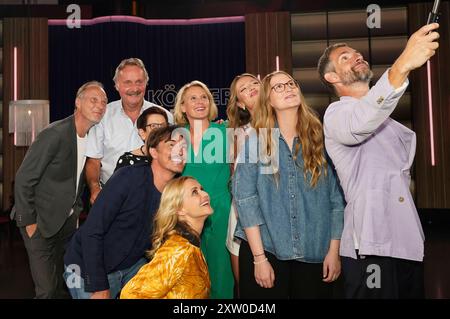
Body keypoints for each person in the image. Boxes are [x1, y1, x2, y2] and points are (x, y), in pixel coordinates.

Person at [317, 23, 440, 298]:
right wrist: (402, 65)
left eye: (357, 52)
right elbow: (362, 120)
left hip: (407, 240)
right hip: (370, 245)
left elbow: (375, 111)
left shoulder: (386, 119)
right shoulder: (336, 115)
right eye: (345, 57)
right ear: (331, 77)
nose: (357, 55)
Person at [232, 71, 345, 299]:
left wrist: (334, 251)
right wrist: (259, 258)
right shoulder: (257, 140)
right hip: (266, 250)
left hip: (315, 250)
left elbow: (336, 200)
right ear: (268, 100)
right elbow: (245, 201)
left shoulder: (320, 140)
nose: (289, 89)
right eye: (279, 87)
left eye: (291, 84)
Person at [63, 125, 186, 299]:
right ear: (154, 152)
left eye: (183, 147)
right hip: (87, 268)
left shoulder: (174, 193)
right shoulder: (128, 178)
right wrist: (98, 285)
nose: (180, 150)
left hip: (131, 266)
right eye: (172, 144)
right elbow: (92, 231)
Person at [12, 81, 107, 298]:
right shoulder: (54, 134)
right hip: (39, 223)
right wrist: (29, 223)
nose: (100, 105)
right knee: (46, 291)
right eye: (93, 100)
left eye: (103, 102)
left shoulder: (92, 137)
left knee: (61, 286)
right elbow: (24, 179)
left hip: (65, 226)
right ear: (77, 102)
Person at [173, 80, 234, 299]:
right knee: (189, 276)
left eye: (204, 97)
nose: (200, 102)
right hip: (186, 215)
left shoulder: (227, 132)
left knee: (221, 272)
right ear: (182, 107)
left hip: (221, 210)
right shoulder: (176, 138)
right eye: (193, 98)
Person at [85, 58, 173, 204]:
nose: (134, 88)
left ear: (146, 83)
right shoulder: (103, 116)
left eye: (139, 81)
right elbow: (93, 160)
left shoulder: (164, 116)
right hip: (112, 196)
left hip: (155, 197)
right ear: (117, 85)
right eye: (127, 82)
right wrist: (95, 189)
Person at [120, 176, 211, 299]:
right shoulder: (178, 249)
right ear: (179, 209)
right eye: (194, 192)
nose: (205, 194)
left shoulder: (189, 244)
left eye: (201, 189)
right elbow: (131, 294)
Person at [225, 73, 261, 294]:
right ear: (240, 103)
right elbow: (234, 178)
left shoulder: (285, 124)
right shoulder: (237, 135)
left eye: (254, 83)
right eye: (243, 89)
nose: (250, 88)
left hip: (278, 215)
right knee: (244, 287)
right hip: (241, 212)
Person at [114, 107, 168, 171]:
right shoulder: (127, 161)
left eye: (163, 126)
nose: (160, 131)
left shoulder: (172, 159)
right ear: (142, 133)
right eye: (154, 126)